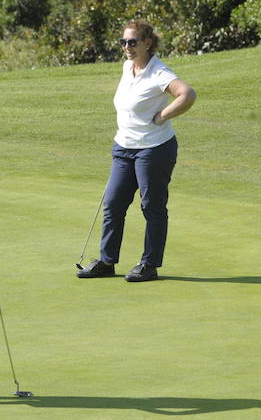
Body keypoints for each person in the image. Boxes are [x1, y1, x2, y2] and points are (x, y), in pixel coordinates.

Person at [77, 20, 197, 282]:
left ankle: (149, 264)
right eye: (123, 42)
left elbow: (187, 94)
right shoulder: (127, 67)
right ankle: (107, 262)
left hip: (154, 149)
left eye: (132, 42)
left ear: (147, 44)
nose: (126, 47)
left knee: (152, 206)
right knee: (113, 204)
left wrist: (163, 115)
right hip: (124, 148)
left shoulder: (158, 72)